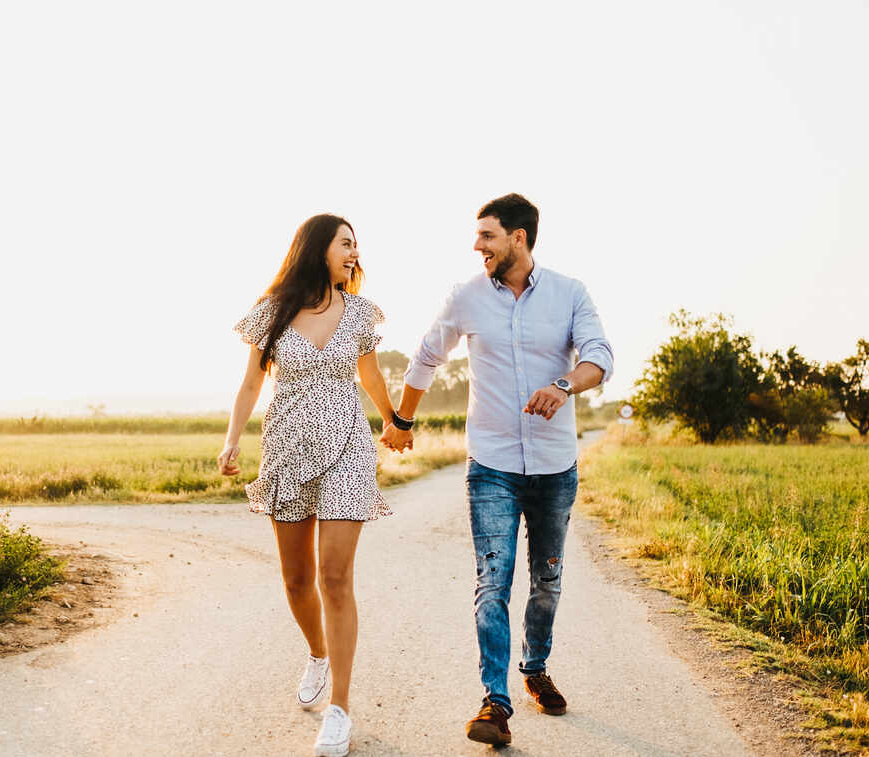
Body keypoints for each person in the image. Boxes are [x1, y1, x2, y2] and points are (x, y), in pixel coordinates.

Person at [381, 193, 613, 747]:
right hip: (492, 465)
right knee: (492, 580)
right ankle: (495, 701)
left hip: (555, 466)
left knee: (547, 580)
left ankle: (535, 668)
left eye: (487, 235)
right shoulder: (466, 297)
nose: (477, 245)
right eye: (477, 235)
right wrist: (402, 420)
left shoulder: (569, 293)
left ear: (519, 237)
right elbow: (426, 356)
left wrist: (562, 386)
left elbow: (600, 356)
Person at [218, 214, 396, 757]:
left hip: (347, 449)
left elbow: (369, 375)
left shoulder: (361, 312)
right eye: (345, 243)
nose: (354, 252)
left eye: (356, 246)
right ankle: (318, 653)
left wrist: (393, 419)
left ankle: (339, 709)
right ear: (318, 248)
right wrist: (231, 442)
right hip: (287, 450)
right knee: (297, 580)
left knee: (334, 577)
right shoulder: (270, 312)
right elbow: (251, 381)